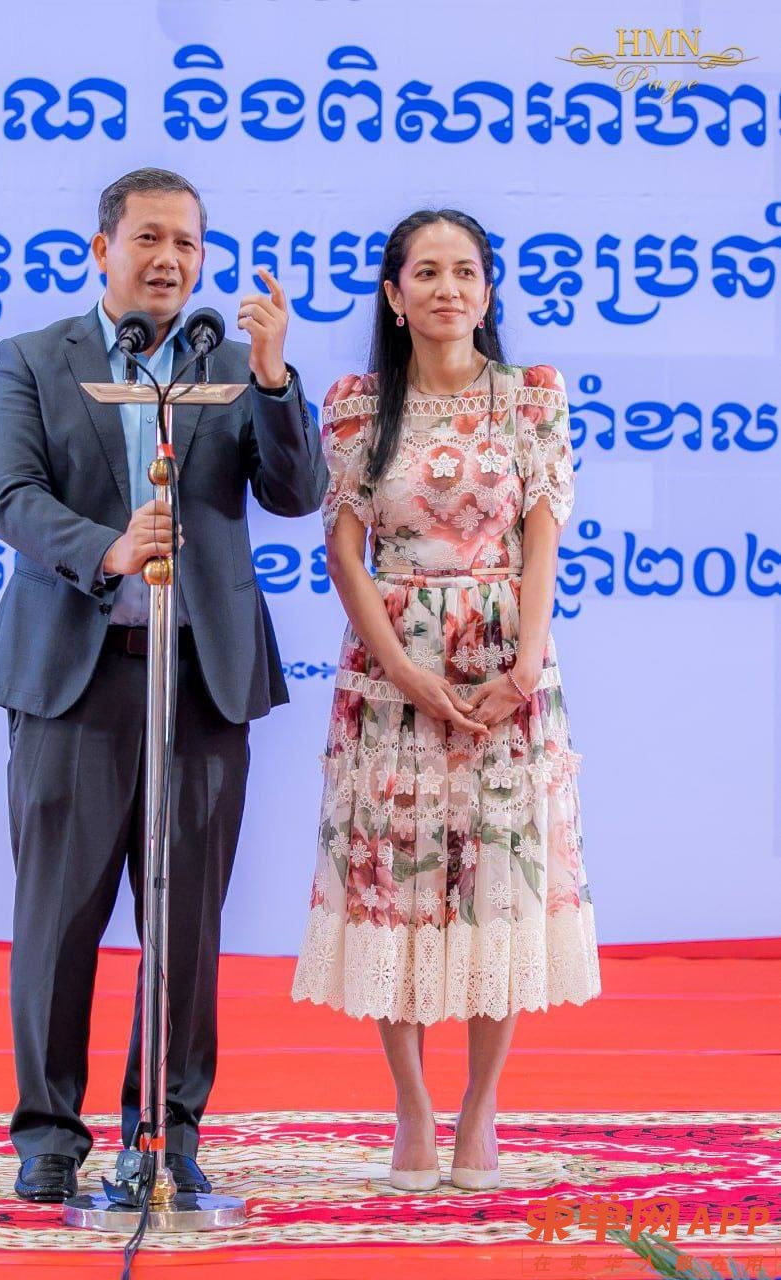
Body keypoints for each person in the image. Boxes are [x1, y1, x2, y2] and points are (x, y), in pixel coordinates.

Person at [0, 167, 327, 1202]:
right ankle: (48, 1136)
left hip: (202, 680)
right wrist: (111, 546)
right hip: (75, 681)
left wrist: (273, 374)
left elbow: (297, 492)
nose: (168, 259)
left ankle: (164, 1132)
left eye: (186, 243)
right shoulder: (38, 358)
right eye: (148, 239)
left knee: (186, 920)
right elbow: (8, 493)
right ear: (103, 248)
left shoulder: (228, 363)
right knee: (59, 915)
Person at [291, 208, 601, 1192]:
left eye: (465, 271)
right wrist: (404, 668)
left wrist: (527, 659)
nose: (446, 289)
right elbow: (344, 552)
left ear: (488, 289)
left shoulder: (531, 398)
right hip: (391, 673)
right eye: (424, 272)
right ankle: (413, 1105)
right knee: (398, 887)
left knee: (497, 887)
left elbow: (544, 532)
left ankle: (480, 1106)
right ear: (393, 293)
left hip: (510, 671)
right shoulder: (353, 404)